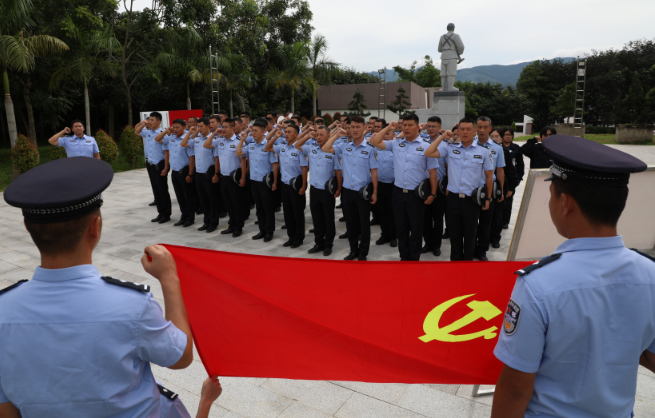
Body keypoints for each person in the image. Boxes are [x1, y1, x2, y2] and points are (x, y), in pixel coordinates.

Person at [0, 157, 195, 416]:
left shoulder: (3, 309)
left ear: (27, 227)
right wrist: (169, 279)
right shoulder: (133, 305)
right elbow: (180, 358)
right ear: (96, 227)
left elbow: (7, 408)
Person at [491, 135, 654, 418]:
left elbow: (516, 388)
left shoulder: (537, 283)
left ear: (565, 203)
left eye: (551, 194)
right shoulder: (650, 273)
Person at [369, 114, 438, 261]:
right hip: (398, 193)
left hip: (416, 195)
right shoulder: (396, 143)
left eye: (410, 125)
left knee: (416, 229)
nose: (406, 128)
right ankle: (404, 257)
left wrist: (432, 194)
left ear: (418, 127)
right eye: (404, 125)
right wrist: (389, 127)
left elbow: (433, 173)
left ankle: (414, 258)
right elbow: (375, 141)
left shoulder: (426, 146)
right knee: (401, 228)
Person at [424, 118, 493, 261]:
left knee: (470, 235)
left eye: (469, 129)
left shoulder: (484, 151)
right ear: (458, 131)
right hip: (453, 199)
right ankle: (455, 264)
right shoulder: (450, 148)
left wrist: (488, 198)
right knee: (454, 235)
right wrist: (443, 136)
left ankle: (467, 264)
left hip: (472, 201)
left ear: (474, 131)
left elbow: (488, 176)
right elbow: (429, 152)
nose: (465, 132)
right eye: (462, 129)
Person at [323, 115, 379, 261]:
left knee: (364, 223)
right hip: (347, 192)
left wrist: (375, 192)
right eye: (352, 127)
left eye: (358, 127)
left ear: (364, 127)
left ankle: (363, 253)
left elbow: (374, 172)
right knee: (350, 223)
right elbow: (325, 148)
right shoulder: (344, 146)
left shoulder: (370, 148)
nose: (355, 130)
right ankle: (353, 250)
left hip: (362, 192)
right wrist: (336, 135)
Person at [296, 126, 342, 256]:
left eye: (322, 135)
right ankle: (318, 243)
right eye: (317, 135)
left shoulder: (333, 151)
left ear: (329, 136)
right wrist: (308, 136)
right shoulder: (311, 148)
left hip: (327, 191)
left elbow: (338, 171)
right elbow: (297, 144)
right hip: (314, 190)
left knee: (328, 218)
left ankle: (328, 244)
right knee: (316, 218)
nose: (319, 137)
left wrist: (339, 188)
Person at [265, 124, 308, 248]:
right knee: (287, 212)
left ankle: (299, 238)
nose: (286, 133)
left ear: (296, 134)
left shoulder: (300, 149)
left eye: (289, 132)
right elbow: (268, 147)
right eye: (285, 131)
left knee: (297, 213)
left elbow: (304, 169)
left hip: (296, 186)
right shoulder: (282, 147)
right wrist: (275, 136)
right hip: (284, 185)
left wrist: (303, 186)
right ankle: (291, 236)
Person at [236, 118, 278, 242]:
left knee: (268, 207)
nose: (253, 133)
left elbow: (275, 165)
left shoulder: (268, 146)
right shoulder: (251, 146)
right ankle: (262, 230)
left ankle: (269, 231)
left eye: (256, 131)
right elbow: (238, 153)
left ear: (263, 131)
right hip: (254, 181)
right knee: (259, 207)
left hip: (265, 182)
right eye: (252, 130)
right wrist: (242, 140)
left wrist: (275, 182)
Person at [205, 118, 247, 237]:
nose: (223, 129)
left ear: (233, 128)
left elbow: (243, 162)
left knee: (236, 203)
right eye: (222, 127)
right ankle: (231, 225)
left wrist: (243, 177)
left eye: (226, 127)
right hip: (223, 178)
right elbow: (206, 144)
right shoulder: (220, 141)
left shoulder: (239, 141)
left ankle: (238, 227)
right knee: (228, 203)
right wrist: (214, 133)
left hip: (234, 178)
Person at [473, 117, 505, 261]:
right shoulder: (469, 144)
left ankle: (482, 250)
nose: (482, 130)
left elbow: (499, 171)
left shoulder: (497, 148)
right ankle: (470, 248)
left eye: (485, 127)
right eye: (479, 126)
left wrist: (501, 190)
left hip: (488, 189)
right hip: (471, 189)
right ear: (476, 128)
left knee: (485, 223)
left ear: (490, 128)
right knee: (471, 222)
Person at [156, 119, 197, 227]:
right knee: (179, 196)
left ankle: (190, 218)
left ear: (184, 128)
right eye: (173, 127)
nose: (175, 129)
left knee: (188, 196)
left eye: (177, 127)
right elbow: (157, 139)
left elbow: (192, 159)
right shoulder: (172, 138)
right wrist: (166, 131)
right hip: (174, 172)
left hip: (184, 172)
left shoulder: (187, 140)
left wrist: (190, 174)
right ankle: (183, 216)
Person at [181, 117, 219, 233]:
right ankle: (206, 221)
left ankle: (213, 222)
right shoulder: (197, 139)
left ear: (208, 126)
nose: (200, 128)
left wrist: (216, 174)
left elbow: (217, 159)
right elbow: (183, 143)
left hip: (209, 173)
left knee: (212, 199)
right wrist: (191, 131)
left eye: (201, 126)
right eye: (198, 126)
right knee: (203, 200)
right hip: (199, 173)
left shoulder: (214, 140)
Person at [421, 116, 446, 256]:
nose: (430, 129)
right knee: (425, 218)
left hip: (439, 186)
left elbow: (448, 166)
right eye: (429, 126)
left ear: (439, 128)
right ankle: (427, 243)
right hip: (423, 186)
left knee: (437, 218)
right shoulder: (421, 142)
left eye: (434, 126)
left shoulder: (445, 144)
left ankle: (436, 245)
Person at [489, 127, 518, 246]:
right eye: (492, 136)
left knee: (497, 214)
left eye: (497, 137)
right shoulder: (485, 149)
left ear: (501, 138)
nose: (494, 139)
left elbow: (511, 171)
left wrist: (511, 188)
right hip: (487, 186)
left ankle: (495, 238)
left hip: (501, 186)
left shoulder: (505, 152)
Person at [371, 119, 397, 248]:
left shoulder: (396, 148)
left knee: (392, 212)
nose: (386, 135)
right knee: (382, 212)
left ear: (394, 135)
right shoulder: (376, 148)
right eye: (384, 133)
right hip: (379, 184)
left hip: (392, 185)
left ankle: (393, 236)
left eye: (388, 133)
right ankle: (384, 234)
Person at [141, 112, 172, 224]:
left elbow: (167, 152)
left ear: (159, 121)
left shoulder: (162, 133)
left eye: (152, 120)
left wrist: (166, 167)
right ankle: (160, 212)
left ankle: (166, 214)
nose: (150, 121)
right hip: (151, 164)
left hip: (160, 165)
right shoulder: (148, 132)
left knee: (162, 190)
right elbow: (137, 131)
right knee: (156, 190)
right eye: (149, 120)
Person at [501, 127, 524, 229]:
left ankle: (505, 221)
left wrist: (518, 179)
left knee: (508, 201)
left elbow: (520, 165)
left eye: (509, 135)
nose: (507, 136)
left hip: (511, 178)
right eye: (505, 134)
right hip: (500, 177)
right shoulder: (498, 147)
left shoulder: (516, 148)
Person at [135, 117, 158, 207]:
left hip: (156, 160)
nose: (148, 123)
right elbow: (136, 130)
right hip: (148, 160)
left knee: (158, 182)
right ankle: (156, 198)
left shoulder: (157, 133)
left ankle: (160, 198)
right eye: (147, 122)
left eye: (150, 121)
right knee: (153, 181)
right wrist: (142, 124)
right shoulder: (146, 132)